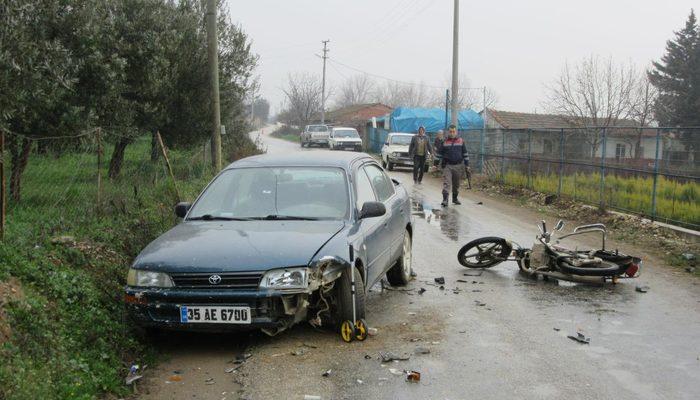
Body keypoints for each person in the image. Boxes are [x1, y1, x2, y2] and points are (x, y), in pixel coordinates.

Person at [439, 124, 469, 206]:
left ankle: (455, 198)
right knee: (447, 183)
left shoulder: (461, 141)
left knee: (456, 184)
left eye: (453, 131)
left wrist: (467, 165)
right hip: (447, 165)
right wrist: (435, 164)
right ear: (448, 132)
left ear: (456, 132)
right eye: (450, 131)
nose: (452, 133)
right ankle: (445, 200)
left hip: (458, 166)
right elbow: (439, 154)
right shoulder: (444, 142)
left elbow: (465, 153)